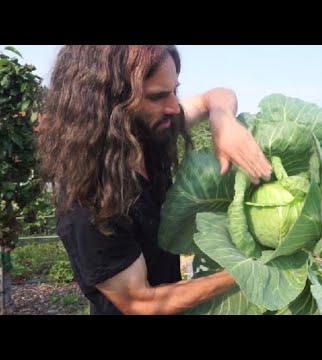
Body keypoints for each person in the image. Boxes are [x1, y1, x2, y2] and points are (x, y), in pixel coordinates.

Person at [37, 45, 272, 315]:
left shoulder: (145, 133)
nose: (174, 106)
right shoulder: (86, 200)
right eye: (158, 96)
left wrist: (223, 119)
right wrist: (247, 270)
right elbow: (142, 303)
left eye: (175, 90)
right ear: (110, 105)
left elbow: (216, 96)